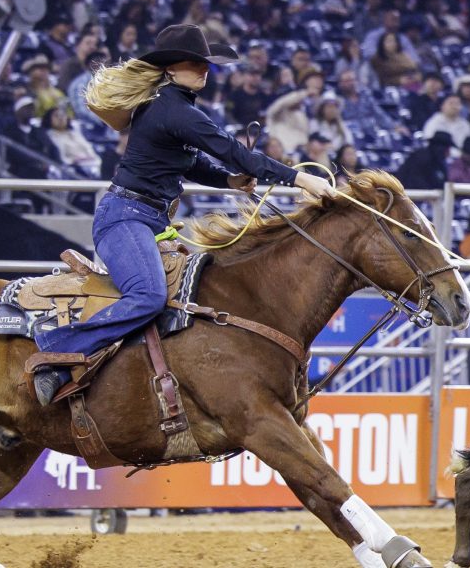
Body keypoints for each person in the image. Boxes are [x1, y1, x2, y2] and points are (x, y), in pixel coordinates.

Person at [30, 24, 337, 405]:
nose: (204, 69)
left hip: (145, 218)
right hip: (126, 218)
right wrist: (299, 179)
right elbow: (233, 150)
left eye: (206, 63)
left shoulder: (170, 107)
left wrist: (228, 180)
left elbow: (186, 164)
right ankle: (55, 353)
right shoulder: (176, 110)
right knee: (148, 296)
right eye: (195, 63)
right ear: (171, 68)